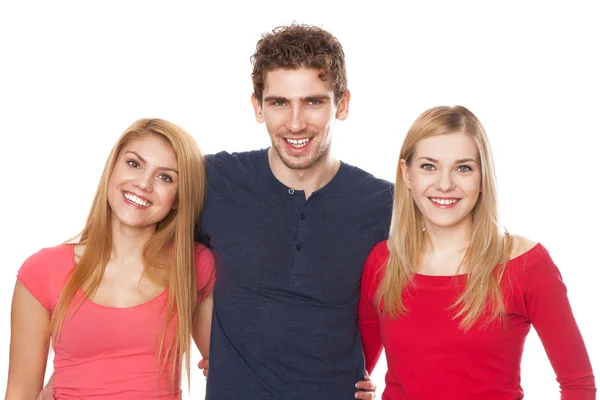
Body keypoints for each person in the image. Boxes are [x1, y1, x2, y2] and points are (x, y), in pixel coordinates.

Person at [196, 24, 391, 399]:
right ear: (258, 106)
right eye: (279, 102)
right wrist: (207, 343)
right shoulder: (214, 180)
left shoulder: (384, 204)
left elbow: (425, 297)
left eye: (314, 102)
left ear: (343, 104)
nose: (296, 123)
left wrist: (381, 373)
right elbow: (142, 257)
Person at [358, 105, 596, 399]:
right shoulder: (384, 261)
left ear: (483, 177)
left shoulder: (526, 265)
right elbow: (357, 373)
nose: (444, 184)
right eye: (429, 166)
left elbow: (578, 386)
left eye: (463, 168)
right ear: (406, 174)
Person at [5, 119, 215, 399]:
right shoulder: (42, 272)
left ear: (178, 198)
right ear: (112, 168)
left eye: (165, 177)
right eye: (134, 164)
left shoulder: (192, 265)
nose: (143, 183)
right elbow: (19, 393)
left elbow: (230, 365)